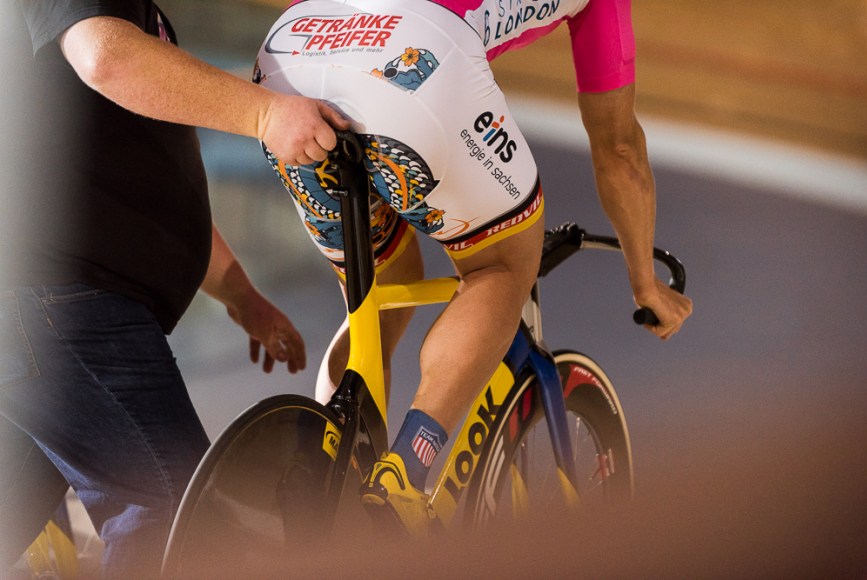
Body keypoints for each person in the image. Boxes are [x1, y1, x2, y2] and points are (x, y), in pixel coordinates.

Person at [254, 0, 693, 533]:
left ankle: (320, 467)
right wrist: (644, 281)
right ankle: (405, 477)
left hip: (294, 53)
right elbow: (619, 150)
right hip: (413, 57)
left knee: (383, 288)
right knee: (503, 265)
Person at [0, 0, 350, 577]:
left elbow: (139, 177)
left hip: (49, 309)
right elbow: (106, 58)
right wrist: (267, 116)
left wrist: (241, 295)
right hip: (65, 305)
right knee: (170, 513)